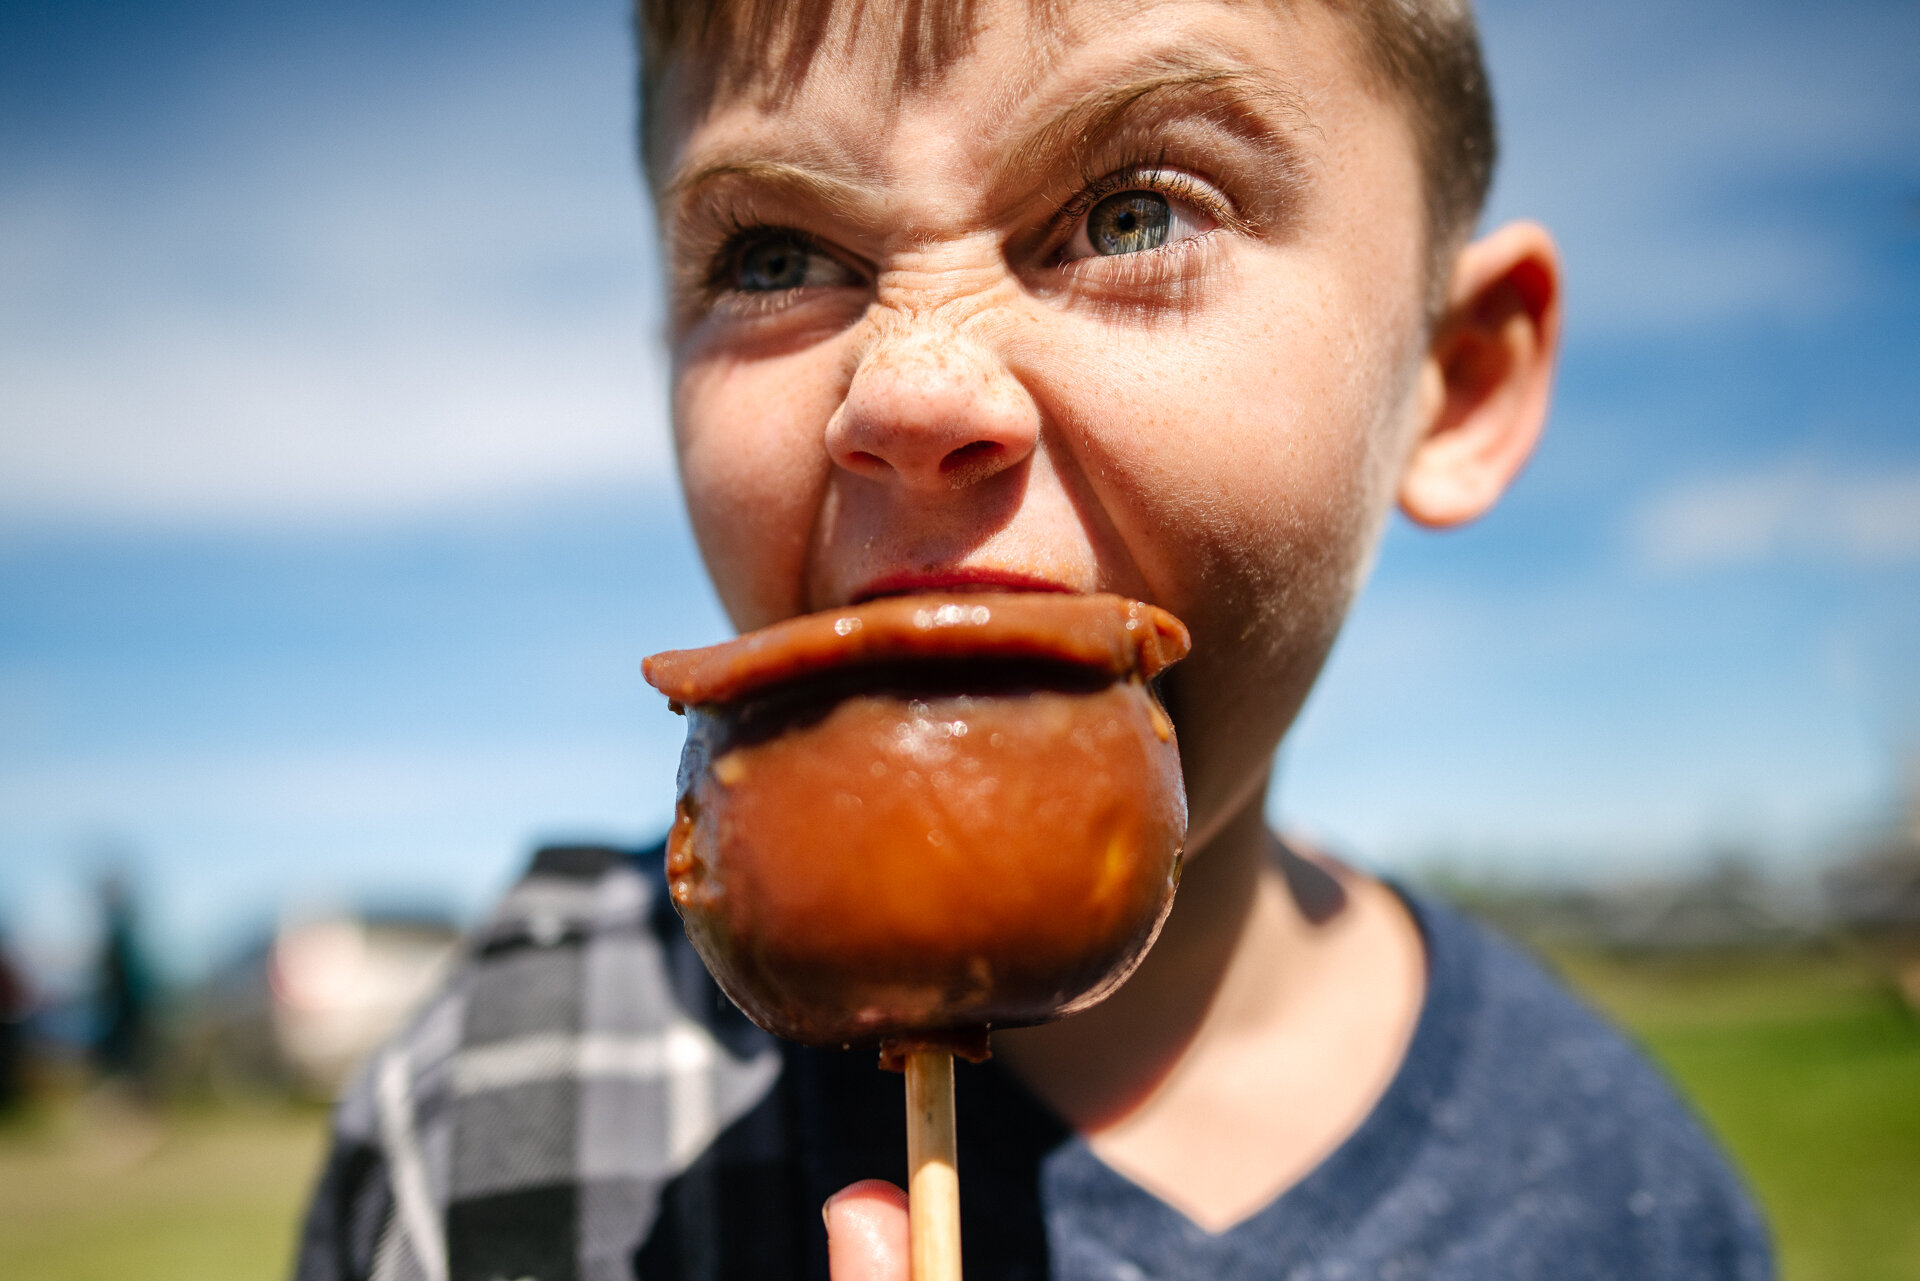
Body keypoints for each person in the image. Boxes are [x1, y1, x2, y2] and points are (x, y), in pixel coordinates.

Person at [294, 2, 1773, 1278]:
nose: (913, 390)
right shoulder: (491, 1124)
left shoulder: (1624, 1197)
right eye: (770, 255)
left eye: (1135, 213)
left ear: (1451, 381)